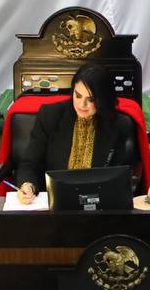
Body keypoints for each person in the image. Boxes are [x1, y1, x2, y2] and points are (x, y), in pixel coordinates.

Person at [15, 62, 139, 204]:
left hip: (97, 204)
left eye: (90, 99)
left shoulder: (118, 125)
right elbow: (30, 164)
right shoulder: (50, 116)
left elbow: (118, 176)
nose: (82, 105)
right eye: (78, 95)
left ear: (103, 99)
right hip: (55, 202)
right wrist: (28, 185)